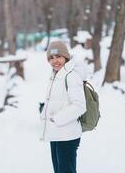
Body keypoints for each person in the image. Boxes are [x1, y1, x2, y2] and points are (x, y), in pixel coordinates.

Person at [40, 41, 87, 173]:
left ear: (65, 57)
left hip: (67, 135)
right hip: (56, 133)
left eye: (58, 57)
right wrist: (44, 115)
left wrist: (57, 119)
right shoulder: (56, 74)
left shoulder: (71, 75)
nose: (55, 61)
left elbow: (79, 105)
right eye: (51, 58)